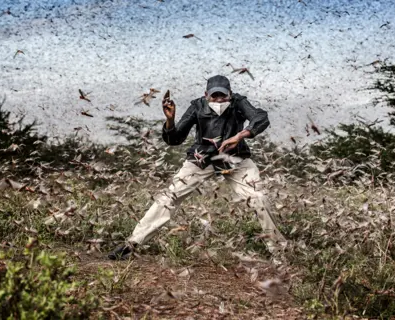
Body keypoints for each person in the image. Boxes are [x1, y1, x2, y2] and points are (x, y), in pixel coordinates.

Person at [108, 75, 286, 262]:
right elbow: (175, 139)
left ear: (230, 95)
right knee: (169, 197)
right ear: (206, 95)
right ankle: (132, 245)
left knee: (258, 198)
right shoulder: (197, 106)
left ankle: (279, 253)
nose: (218, 100)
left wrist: (240, 136)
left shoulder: (238, 103)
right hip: (201, 158)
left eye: (223, 97)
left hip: (235, 156)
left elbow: (261, 117)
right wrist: (170, 120)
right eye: (214, 96)